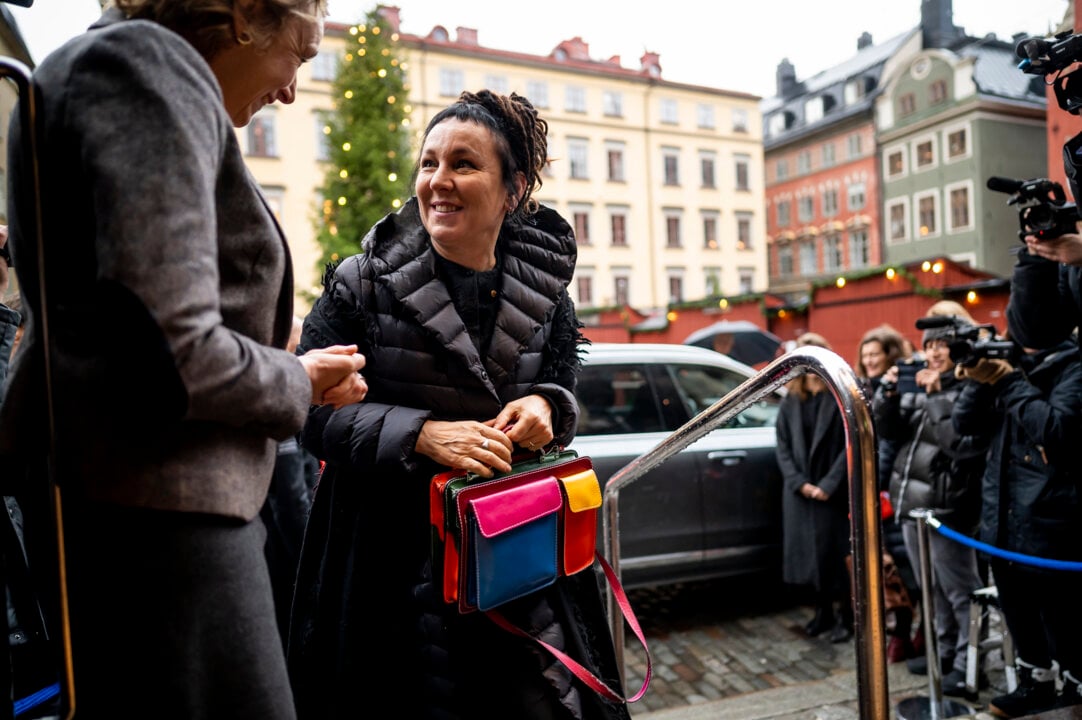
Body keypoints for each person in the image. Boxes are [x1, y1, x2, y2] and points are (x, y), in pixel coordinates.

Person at [0, 3, 369, 718]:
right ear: (243, 15)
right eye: (300, 51)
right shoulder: (145, 66)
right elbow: (176, 353)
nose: (293, 87)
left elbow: (136, 321)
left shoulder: (108, 66)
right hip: (164, 521)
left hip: (141, 514)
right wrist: (295, 378)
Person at [287, 90, 629, 720]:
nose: (438, 182)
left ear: (513, 188)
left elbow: (561, 383)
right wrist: (421, 434)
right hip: (389, 571)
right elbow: (308, 412)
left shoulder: (548, 290)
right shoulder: (359, 283)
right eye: (428, 163)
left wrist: (547, 407)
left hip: (517, 556)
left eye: (464, 164)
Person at [954, 336, 1082, 715]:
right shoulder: (1007, 364)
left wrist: (1008, 381)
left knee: (1063, 620)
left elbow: (1056, 431)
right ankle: (1035, 684)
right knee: (1019, 613)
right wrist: (980, 380)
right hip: (1003, 519)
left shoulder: (1072, 365)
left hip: (1051, 522)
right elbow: (965, 424)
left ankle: (1074, 690)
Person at [872, 313, 991, 700]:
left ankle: (967, 665)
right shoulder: (916, 382)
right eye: (928, 345)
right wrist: (887, 396)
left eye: (942, 344)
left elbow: (958, 442)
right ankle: (941, 655)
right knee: (930, 590)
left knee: (958, 589)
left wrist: (936, 394)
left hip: (947, 507)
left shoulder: (969, 386)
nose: (934, 352)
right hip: (913, 503)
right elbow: (890, 430)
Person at [775, 332, 853, 644]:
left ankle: (846, 617)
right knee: (811, 557)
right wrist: (799, 483)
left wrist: (828, 485)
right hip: (801, 494)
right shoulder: (792, 400)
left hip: (831, 493)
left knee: (836, 558)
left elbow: (849, 445)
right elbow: (781, 445)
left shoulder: (839, 395)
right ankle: (822, 613)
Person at [853, 322, 919, 663]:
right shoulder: (859, 389)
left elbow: (891, 443)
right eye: (865, 354)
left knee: (903, 568)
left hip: (889, 488)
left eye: (875, 353)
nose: (870, 359)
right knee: (880, 566)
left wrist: (875, 482)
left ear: (889, 355)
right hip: (870, 487)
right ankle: (900, 633)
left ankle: (909, 632)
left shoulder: (899, 391)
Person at [261, 316, 322, 649]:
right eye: (299, 346)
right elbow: (291, 498)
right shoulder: (284, 409)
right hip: (287, 557)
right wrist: (309, 558)